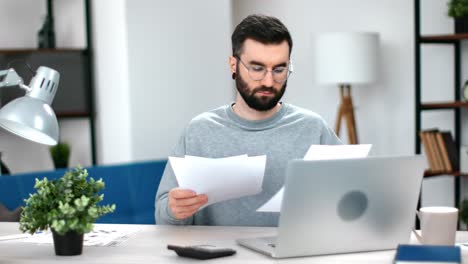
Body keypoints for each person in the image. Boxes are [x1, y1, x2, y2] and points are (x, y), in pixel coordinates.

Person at [155, 14, 341, 226]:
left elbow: (348, 194)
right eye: (257, 69)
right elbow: (163, 218)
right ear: (233, 65)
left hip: (291, 255)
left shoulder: (313, 128)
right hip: (219, 257)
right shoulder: (199, 130)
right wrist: (174, 210)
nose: (269, 81)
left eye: (279, 69)